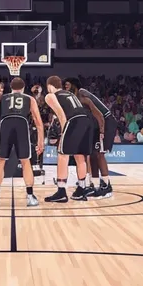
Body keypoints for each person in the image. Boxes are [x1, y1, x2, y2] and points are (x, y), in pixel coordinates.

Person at [0, 77, 44, 208]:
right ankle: (30, 197)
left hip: (6, 124)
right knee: (25, 161)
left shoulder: (2, 98)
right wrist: (40, 142)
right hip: (21, 123)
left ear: (11, 88)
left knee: (1, 161)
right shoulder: (29, 99)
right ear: (23, 88)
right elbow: (38, 122)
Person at [44, 75, 90, 203]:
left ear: (49, 86)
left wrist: (64, 132)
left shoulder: (50, 96)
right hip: (84, 120)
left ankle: (61, 191)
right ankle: (81, 190)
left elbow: (61, 114)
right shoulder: (70, 94)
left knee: (62, 154)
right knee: (79, 156)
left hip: (72, 121)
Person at [68, 78, 115, 199]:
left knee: (99, 154)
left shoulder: (83, 95)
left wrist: (102, 130)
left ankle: (106, 185)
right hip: (95, 125)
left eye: (68, 86)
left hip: (106, 121)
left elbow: (99, 114)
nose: (66, 88)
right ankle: (95, 185)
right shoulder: (75, 99)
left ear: (75, 86)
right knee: (93, 155)